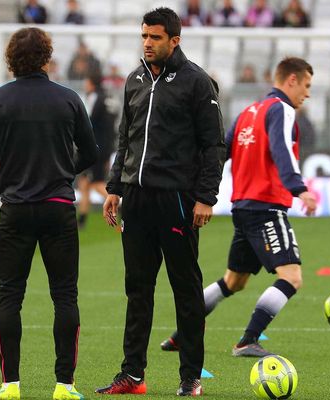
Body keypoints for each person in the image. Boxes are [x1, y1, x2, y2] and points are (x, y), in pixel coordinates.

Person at [0, 27, 97, 400]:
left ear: (11, 59)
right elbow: (92, 151)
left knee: (10, 297)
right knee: (65, 296)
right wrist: (66, 169)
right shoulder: (68, 99)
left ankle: (10, 385)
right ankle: (65, 386)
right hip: (57, 209)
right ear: (47, 56)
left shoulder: (0, 98)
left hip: (16, 210)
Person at [95, 7, 225, 397]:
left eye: (155, 37)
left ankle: (190, 379)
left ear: (175, 40)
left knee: (186, 291)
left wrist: (206, 197)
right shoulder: (134, 80)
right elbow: (125, 138)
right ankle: (132, 375)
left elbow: (214, 146)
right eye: (144, 36)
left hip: (178, 201)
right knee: (137, 289)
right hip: (135, 198)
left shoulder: (197, 83)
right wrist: (114, 187)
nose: (147, 43)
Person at [160, 57, 317, 358]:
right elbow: (282, 151)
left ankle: (182, 334)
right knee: (292, 277)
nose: (307, 94)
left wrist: (195, 183)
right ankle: (248, 340)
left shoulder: (248, 112)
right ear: (291, 80)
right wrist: (299, 188)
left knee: (234, 281)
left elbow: (222, 152)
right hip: (267, 207)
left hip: (243, 208)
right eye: (306, 86)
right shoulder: (281, 109)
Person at [77, 73, 116, 229]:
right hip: (106, 146)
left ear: (92, 83)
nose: (85, 84)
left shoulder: (94, 97)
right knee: (84, 183)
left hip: (96, 147)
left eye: (87, 81)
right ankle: (81, 220)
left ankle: (120, 206)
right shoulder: (108, 98)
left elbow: (89, 122)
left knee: (96, 183)